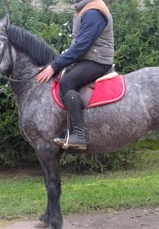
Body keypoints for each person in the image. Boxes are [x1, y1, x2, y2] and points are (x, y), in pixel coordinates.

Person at [37, 0, 114, 151]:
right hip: (88, 58)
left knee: (66, 83)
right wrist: (56, 64)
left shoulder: (93, 12)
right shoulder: (85, 9)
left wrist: (54, 66)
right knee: (62, 75)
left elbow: (81, 46)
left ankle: (79, 135)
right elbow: (78, 45)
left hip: (97, 61)